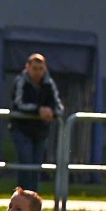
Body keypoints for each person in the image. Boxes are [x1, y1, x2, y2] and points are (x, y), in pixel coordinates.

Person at [10, 54, 64, 193]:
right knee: (26, 164)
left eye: (41, 68)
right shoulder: (21, 81)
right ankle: (21, 197)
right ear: (27, 67)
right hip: (22, 130)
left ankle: (33, 199)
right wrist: (38, 110)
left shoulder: (49, 83)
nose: (38, 72)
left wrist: (51, 112)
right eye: (34, 68)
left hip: (40, 132)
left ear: (45, 68)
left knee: (36, 167)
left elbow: (59, 107)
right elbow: (18, 103)